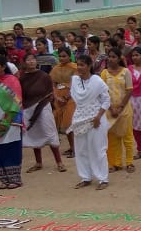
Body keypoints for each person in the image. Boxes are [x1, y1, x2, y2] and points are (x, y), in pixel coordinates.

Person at [69, 54, 111, 190]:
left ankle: (103, 179)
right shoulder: (75, 80)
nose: (79, 67)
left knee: (98, 149)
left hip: (96, 119)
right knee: (81, 150)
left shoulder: (97, 81)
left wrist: (98, 117)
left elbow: (106, 100)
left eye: (82, 65)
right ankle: (85, 177)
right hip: (80, 119)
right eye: (78, 65)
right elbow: (77, 101)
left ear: (89, 66)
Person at [20, 53, 65, 173]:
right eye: (28, 60)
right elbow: (20, 94)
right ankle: (38, 162)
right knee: (34, 134)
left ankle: (59, 162)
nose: (31, 62)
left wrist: (48, 101)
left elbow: (50, 92)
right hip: (28, 108)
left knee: (50, 132)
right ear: (24, 63)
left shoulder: (44, 76)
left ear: (36, 61)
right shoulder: (22, 78)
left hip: (44, 106)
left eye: (33, 59)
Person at [0, 55, 24, 190]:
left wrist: (6, 121)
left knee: (11, 148)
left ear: (3, 66)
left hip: (11, 121)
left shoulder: (13, 80)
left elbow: (17, 102)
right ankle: (4, 179)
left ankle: (15, 179)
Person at [101, 48, 136, 174]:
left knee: (127, 136)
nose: (111, 59)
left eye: (114, 57)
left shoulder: (126, 72)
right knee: (112, 137)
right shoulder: (104, 73)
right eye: (109, 56)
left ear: (119, 58)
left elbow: (129, 90)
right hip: (109, 109)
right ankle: (115, 163)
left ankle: (129, 162)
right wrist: (111, 108)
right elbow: (102, 92)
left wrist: (120, 107)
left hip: (124, 108)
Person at [50, 47, 78, 157]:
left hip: (72, 97)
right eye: (60, 56)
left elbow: (75, 84)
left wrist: (66, 97)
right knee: (63, 123)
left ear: (69, 56)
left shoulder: (75, 67)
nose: (61, 58)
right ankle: (72, 147)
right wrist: (56, 97)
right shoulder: (55, 68)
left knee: (69, 122)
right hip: (59, 97)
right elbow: (52, 84)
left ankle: (75, 149)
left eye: (64, 56)